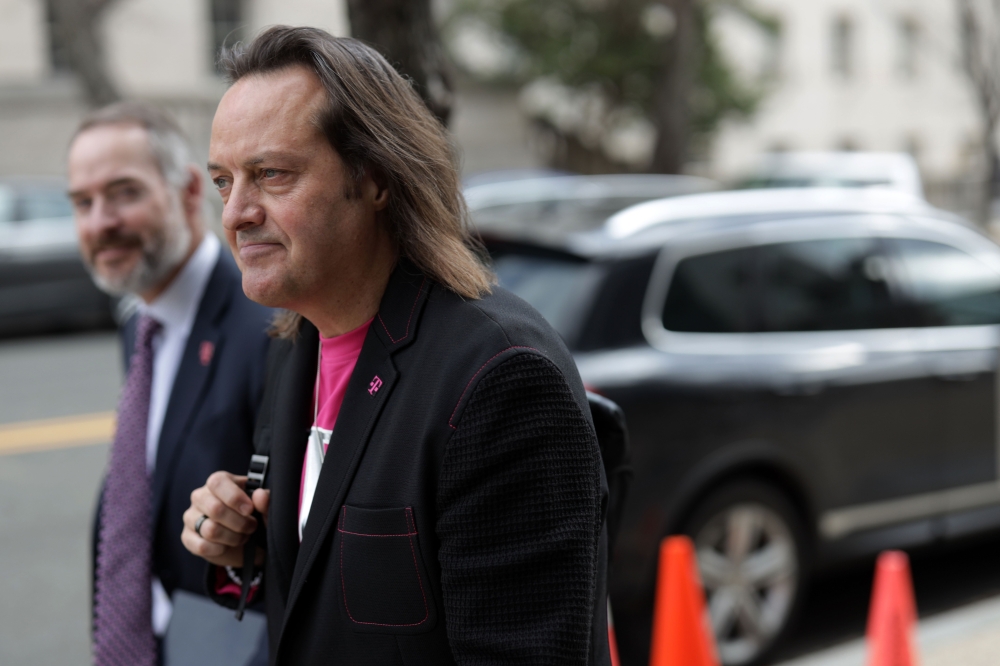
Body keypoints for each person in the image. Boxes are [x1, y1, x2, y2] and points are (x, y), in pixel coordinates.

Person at [180, 26, 611, 665]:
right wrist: (246, 543)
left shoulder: (502, 377)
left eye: (271, 175)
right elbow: (336, 593)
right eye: (223, 181)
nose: (236, 212)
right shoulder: (297, 343)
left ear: (376, 178)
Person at [68, 101, 272, 665]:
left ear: (186, 192)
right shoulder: (138, 324)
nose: (100, 221)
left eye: (124, 193)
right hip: (157, 637)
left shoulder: (269, 328)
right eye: (83, 202)